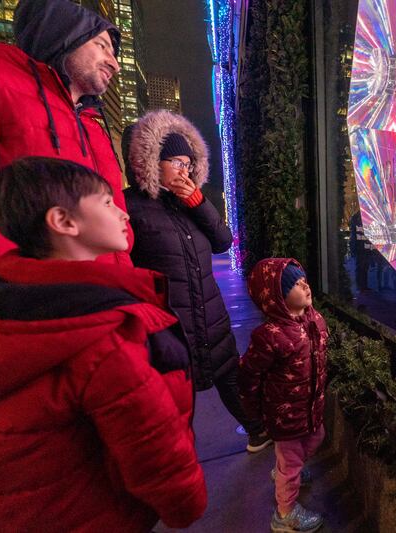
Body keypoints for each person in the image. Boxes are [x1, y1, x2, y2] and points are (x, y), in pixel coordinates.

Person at [0, 157, 207, 531]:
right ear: (64, 222)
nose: (122, 214)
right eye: (106, 202)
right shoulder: (104, 334)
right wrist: (186, 504)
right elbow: (152, 448)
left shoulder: (3, 303)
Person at [124, 110, 271, 452]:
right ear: (150, 162)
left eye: (187, 163)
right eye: (174, 161)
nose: (183, 170)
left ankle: (257, 431)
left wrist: (197, 202)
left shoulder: (191, 203)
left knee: (231, 377)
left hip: (211, 316)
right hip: (171, 326)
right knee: (177, 397)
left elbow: (223, 240)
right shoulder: (131, 206)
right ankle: (180, 461)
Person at [0, 0, 131, 266]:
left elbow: (114, 219)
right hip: (32, 292)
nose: (115, 65)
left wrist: (122, 280)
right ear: (64, 35)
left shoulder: (92, 123)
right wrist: (12, 281)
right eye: (102, 46)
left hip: (101, 287)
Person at [239, 258, 329, 533]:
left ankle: (284, 473)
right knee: (291, 463)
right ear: (277, 298)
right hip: (285, 415)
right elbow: (249, 374)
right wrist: (254, 409)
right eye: (294, 283)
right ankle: (285, 514)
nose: (304, 284)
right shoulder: (269, 336)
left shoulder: (314, 319)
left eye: (303, 279)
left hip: (311, 406)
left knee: (317, 438)